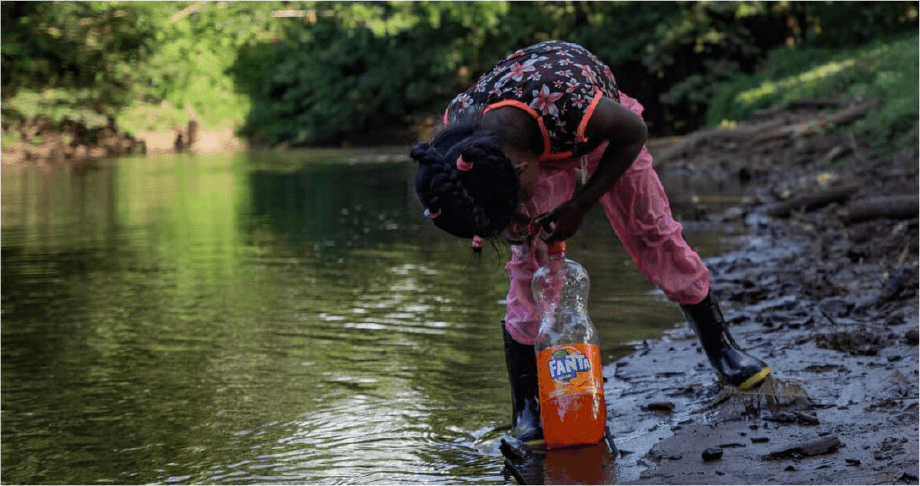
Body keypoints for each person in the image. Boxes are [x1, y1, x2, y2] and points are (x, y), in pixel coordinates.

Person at [411, 40, 771, 444]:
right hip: (528, 143)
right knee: (530, 263)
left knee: (653, 232)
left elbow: (635, 134)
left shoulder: (572, 103)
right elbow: (483, 199)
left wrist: (581, 203)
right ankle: (527, 405)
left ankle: (721, 349)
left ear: (520, 167)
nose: (520, 217)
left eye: (518, 206)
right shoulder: (461, 136)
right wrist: (514, 225)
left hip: (603, 138)